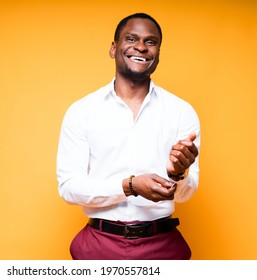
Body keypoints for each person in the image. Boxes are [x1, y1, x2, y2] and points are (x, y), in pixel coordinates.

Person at [56, 12, 200, 260]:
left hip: (162, 247)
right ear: (113, 49)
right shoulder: (82, 111)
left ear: (158, 53)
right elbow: (69, 188)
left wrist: (178, 174)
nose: (141, 47)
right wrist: (129, 186)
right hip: (98, 246)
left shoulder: (181, 111)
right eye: (131, 39)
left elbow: (186, 193)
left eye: (151, 42)